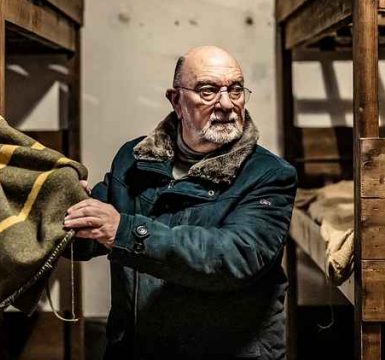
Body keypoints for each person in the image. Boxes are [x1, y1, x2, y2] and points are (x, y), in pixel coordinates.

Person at [64, 45, 297, 360]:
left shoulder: (269, 175)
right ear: (176, 100)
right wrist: (67, 203)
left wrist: (123, 231)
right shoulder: (133, 159)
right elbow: (88, 237)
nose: (227, 104)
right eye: (208, 91)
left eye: (236, 90)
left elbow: (233, 257)